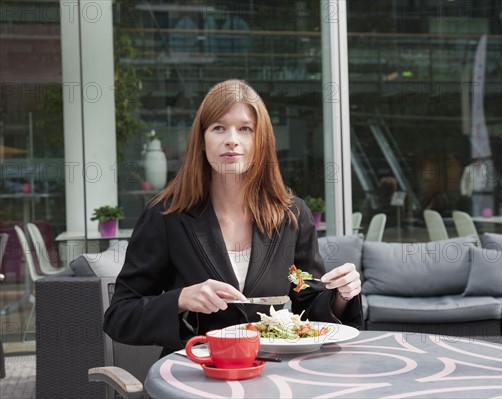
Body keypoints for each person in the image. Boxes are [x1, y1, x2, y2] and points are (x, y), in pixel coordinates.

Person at [103, 80, 363, 356]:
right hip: (197, 372)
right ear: (201, 141)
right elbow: (120, 317)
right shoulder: (166, 216)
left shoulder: (291, 217)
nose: (231, 139)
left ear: (260, 141)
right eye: (218, 128)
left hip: (272, 375)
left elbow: (309, 307)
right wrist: (180, 299)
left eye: (245, 129)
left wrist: (341, 296)